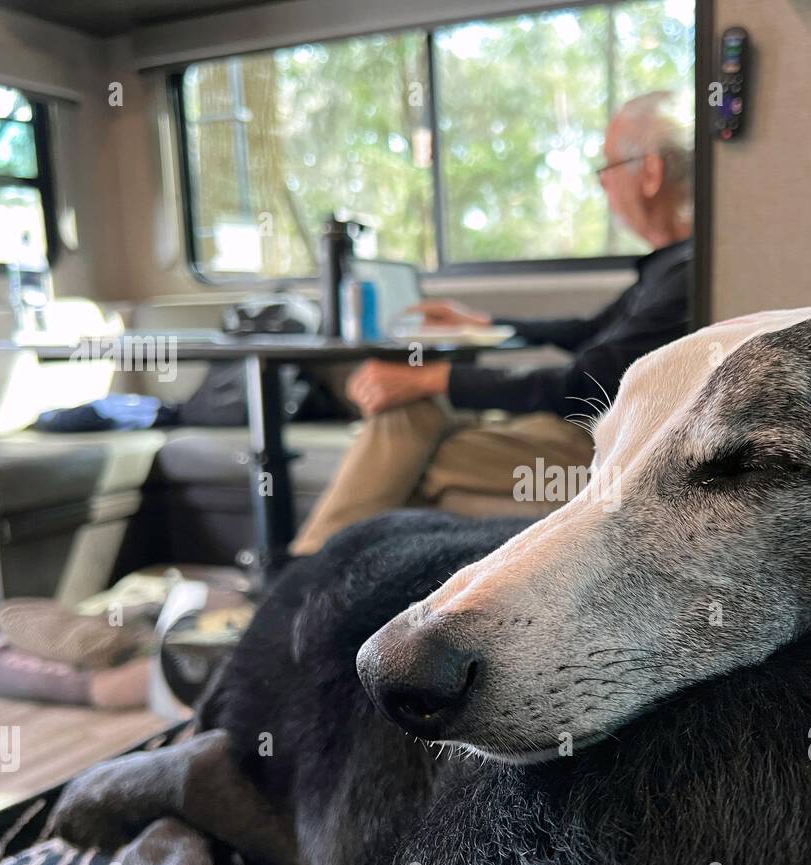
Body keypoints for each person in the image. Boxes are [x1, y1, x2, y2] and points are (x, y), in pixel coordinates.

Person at [290, 91, 695, 556]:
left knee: (406, 451)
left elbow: (582, 383)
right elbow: (586, 331)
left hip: (602, 445)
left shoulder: (687, 276)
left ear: (650, 172)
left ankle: (304, 575)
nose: (602, 186)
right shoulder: (668, 267)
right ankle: (323, 573)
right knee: (410, 416)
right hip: (574, 427)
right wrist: (486, 321)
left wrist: (434, 377)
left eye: (606, 170)